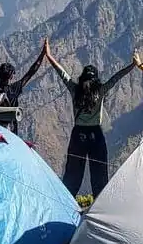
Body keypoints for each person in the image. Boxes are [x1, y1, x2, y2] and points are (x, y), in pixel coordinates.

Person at [44, 39, 137, 197]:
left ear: (82, 78)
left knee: (73, 173)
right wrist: (133, 65)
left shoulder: (74, 89)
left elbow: (62, 73)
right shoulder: (100, 91)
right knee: (99, 173)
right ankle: (99, 207)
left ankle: (67, 203)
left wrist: (49, 55)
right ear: (96, 79)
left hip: (78, 134)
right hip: (96, 135)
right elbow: (116, 78)